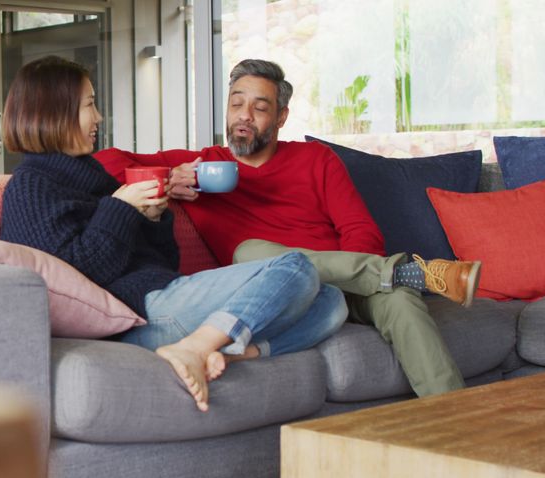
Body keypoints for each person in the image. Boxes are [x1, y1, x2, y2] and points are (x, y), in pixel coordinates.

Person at [94, 58, 482, 397]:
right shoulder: (201, 166)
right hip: (282, 291)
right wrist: (170, 176)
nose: (244, 115)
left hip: (346, 286)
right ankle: (409, 272)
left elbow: (361, 231)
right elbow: (105, 162)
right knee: (249, 253)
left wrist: (351, 274)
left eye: (259, 107)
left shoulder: (316, 159)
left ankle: (456, 425)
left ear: (280, 117)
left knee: (400, 300)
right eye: (236, 104)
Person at [0, 55, 348, 412]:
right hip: (138, 315)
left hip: (162, 297)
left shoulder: (91, 178)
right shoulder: (32, 187)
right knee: (297, 268)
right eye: (90, 104)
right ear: (56, 111)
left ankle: (226, 353)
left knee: (332, 300)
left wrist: (152, 218)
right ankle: (196, 348)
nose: (99, 117)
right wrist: (119, 209)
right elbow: (76, 278)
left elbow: (162, 263)